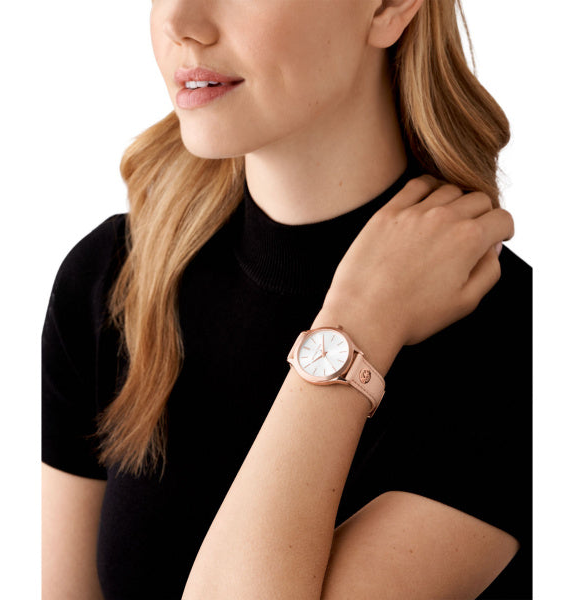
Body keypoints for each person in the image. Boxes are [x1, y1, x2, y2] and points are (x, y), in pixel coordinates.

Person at [41, 0, 532, 598]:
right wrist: (357, 325)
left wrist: (359, 323)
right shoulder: (115, 282)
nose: (179, 22)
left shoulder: (519, 341)